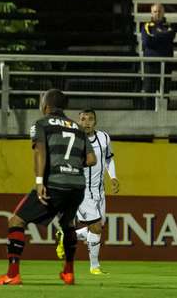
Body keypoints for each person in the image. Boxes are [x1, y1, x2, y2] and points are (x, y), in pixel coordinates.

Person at [0, 89, 97, 286]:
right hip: (76, 187)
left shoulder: (41, 124)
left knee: (16, 221)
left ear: (46, 105)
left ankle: (12, 275)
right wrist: (71, 165)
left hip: (54, 184)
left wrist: (40, 181)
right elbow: (91, 159)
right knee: (68, 225)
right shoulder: (78, 127)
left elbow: (40, 151)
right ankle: (69, 273)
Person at [56, 109, 119, 275]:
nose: (87, 122)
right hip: (82, 191)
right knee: (96, 228)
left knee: (97, 228)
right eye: (83, 119)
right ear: (79, 121)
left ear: (95, 122)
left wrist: (113, 177)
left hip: (99, 190)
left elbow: (108, 158)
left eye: (90, 119)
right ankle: (94, 267)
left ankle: (67, 236)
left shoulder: (104, 137)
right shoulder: (72, 140)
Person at [141, 3, 176, 109]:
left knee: (165, 91)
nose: (157, 13)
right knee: (149, 90)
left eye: (159, 11)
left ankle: (165, 116)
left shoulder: (169, 26)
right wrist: (162, 36)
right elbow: (147, 42)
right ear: (151, 13)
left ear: (163, 12)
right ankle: (148, 115)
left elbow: (170, 37)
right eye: (155, 11)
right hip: (151, 63)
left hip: (166, 63)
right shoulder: (146, 26)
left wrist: (156, 36)